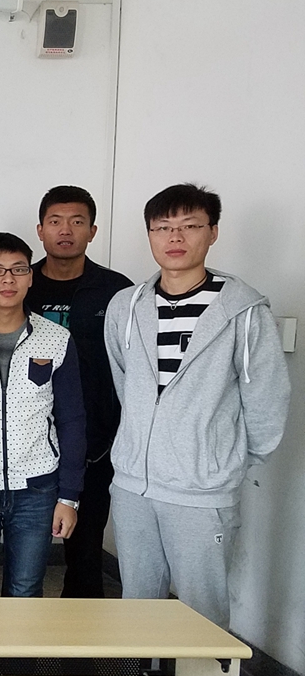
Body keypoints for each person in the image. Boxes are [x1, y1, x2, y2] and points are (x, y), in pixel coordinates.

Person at [105, 184, 290, 628]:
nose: (175, 237)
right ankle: (139, 674)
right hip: (132, 487)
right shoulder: (126, 306)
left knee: (201, 612)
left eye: (190, 226)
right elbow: (126, 384)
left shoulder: (243, 311)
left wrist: (220, 461)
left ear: (213, 232)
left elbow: (266, 399)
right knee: (136, 605)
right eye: (163, 227)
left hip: (202, 492)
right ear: (150, 234)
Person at [0, 232, 86, 597]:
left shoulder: (56, 338)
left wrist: (68, 497)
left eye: (18, 269)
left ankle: (19, 643)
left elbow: (72, 420)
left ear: (31, 277)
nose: (8, 279)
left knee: (26, 590)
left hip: (37, 488)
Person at [28, 185, 132, 598]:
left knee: (86, 551)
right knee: (23, 549)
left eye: (76, 222)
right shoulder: (20, 283)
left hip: (94, 441)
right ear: (40, 230)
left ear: (92, 230)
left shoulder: (117, 291)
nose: (65, 230)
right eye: (55, 221)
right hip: (27, 437)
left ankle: (83, 630)